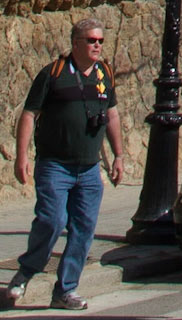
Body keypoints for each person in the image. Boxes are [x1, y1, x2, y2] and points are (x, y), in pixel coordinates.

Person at [1, 20, 123, 312]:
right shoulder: (53, 74)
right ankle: (27, 271)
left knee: (83, 230)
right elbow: (29, 115)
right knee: (52, 221)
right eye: (92, 40)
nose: (97, 45)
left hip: (90, 169)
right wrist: (22, 157)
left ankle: (65, 290)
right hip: (55, 166)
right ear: (76, 43)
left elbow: (113, 116)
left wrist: (118, 155)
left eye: (101, 41)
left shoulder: (104, 74)